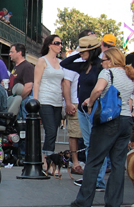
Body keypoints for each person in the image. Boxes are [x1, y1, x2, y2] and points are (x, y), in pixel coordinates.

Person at [71, 48, 134, 207]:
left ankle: (84, 201)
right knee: (118, 162)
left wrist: (91, 102)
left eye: (104, 60)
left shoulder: (107, 74)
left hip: (108, 121)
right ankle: (114, 203)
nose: (102, 63)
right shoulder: (129, 76)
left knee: (94, 160)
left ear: (111, 60)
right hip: (126, 120)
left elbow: (99, 89)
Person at [61, 35, 106, 191]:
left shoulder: (100, 66)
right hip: (82, 109)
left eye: (83, 51)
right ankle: (92, 177)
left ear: (93, 51)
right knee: (88, 144)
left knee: (97, 144)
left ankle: (98, 179)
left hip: (94, 109)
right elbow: (64, 62)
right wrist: (78, 52)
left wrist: (92, 101)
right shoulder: (82, 65)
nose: (80, 54)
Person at [61, 31, 95, 175]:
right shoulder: (76, 59)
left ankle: (90, 163)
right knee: (75, 133)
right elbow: (66, 83)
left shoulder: (97, 61)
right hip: (76, 101)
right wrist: (68, 103)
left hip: (92, 103)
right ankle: (75, 162)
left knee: (90, 136)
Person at [33, 34, 65, 171]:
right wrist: (35, 102)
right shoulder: (42, 60)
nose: (59, 46)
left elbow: (63, 83)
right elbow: (37, 82)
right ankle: (46, 161)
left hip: (57, 100)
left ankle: (49, 158)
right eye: (57, 43)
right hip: (45, 99)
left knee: (54, 131)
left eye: (61, 43)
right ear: (50, 45)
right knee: (50, 130)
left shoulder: (60, 62)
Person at [7, 43, 34, 115]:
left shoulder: (27, 66)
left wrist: (17, 101)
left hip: (21, 105)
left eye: (12, 52)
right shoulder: (16, 66)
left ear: (19, 53)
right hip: (15, 102)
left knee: (22, 125)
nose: (10, 54)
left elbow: (28, 87)